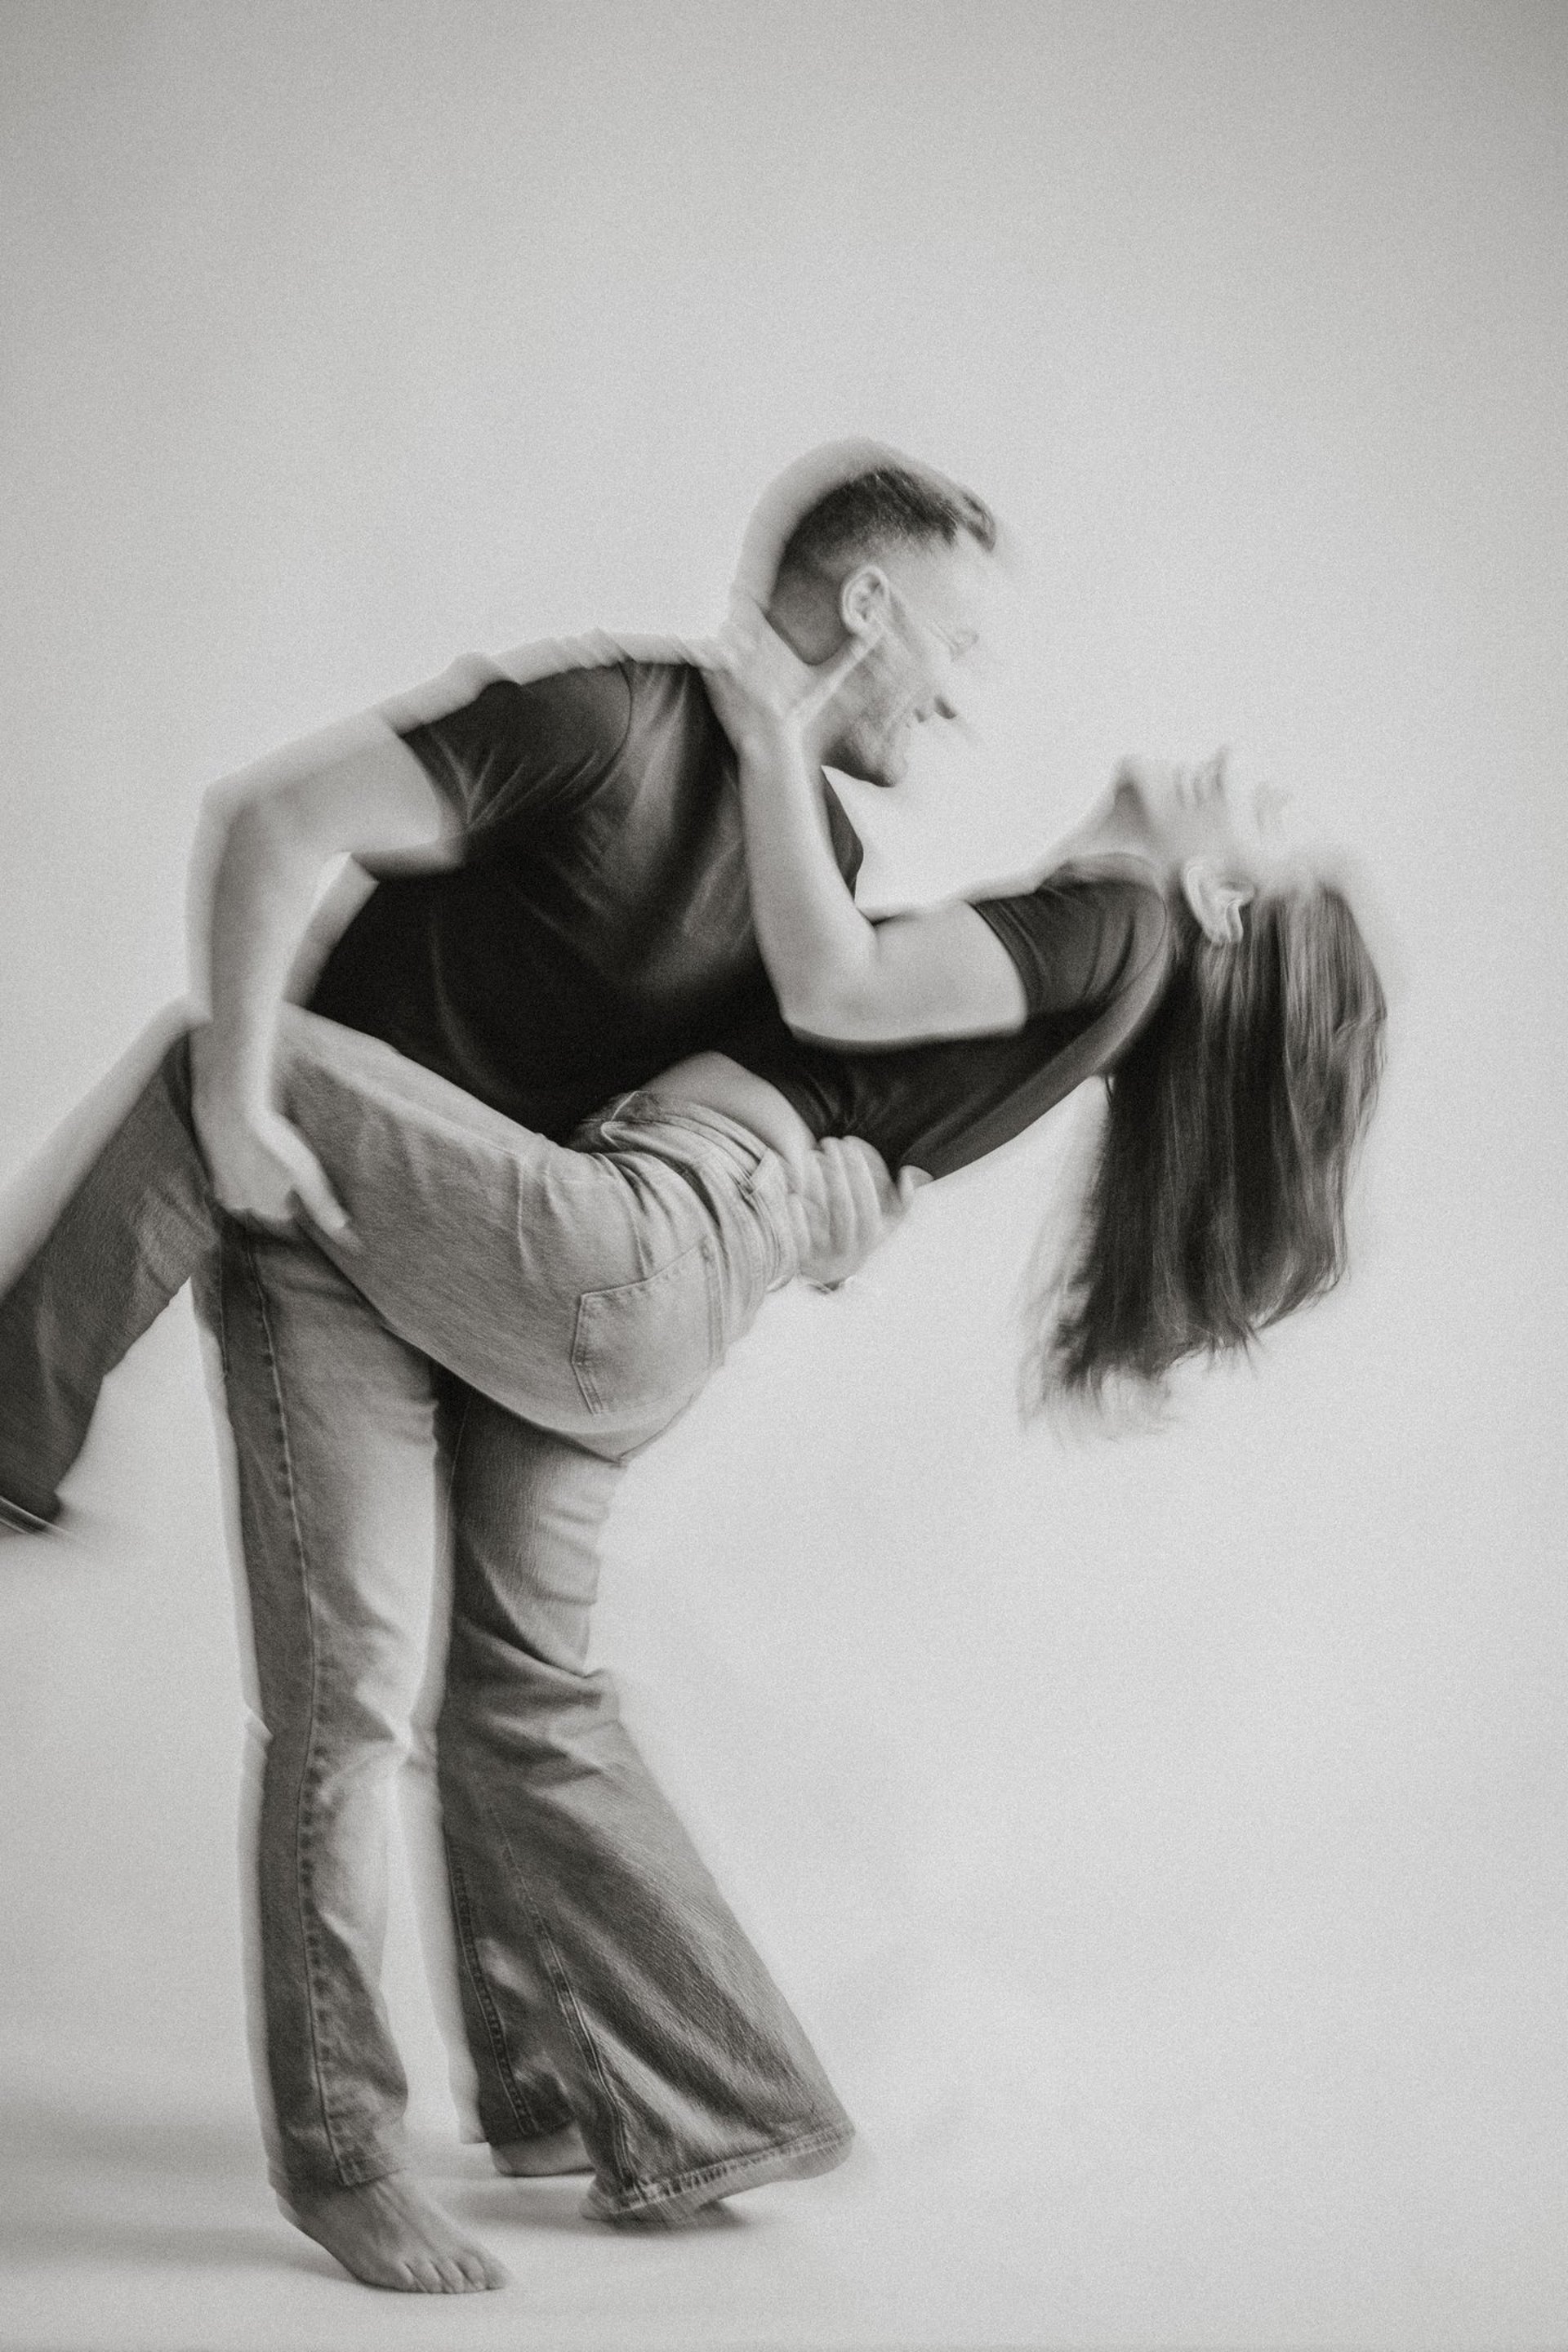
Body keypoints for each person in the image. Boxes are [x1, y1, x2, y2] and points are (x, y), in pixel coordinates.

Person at [0, 630, 1386, 2296]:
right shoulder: (1095, 943)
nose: (1239, 769)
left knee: (221, 1062)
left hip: (638, 1235)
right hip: (655, 1267)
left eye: (1267, 813)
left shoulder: (1122, 917)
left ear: (1226, 901)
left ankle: (9, 1424)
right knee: (521, 1688)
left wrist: (763, 730)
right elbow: (847, 1053)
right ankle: (655, 2101)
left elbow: (835, 995)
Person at [0, 452, 1002, 2292]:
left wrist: (843, 1197)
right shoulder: (599, 718)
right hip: (334, 1252)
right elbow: (271, 818)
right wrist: (234, 1096)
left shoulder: (822, 863)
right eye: (950, 643)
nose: (960, 693)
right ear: (864, 612)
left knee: (522, 1690)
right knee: (361, 1692)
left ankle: (552, 2085)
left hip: (529, 1265)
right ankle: (339, 2146)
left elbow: (771, 1093)